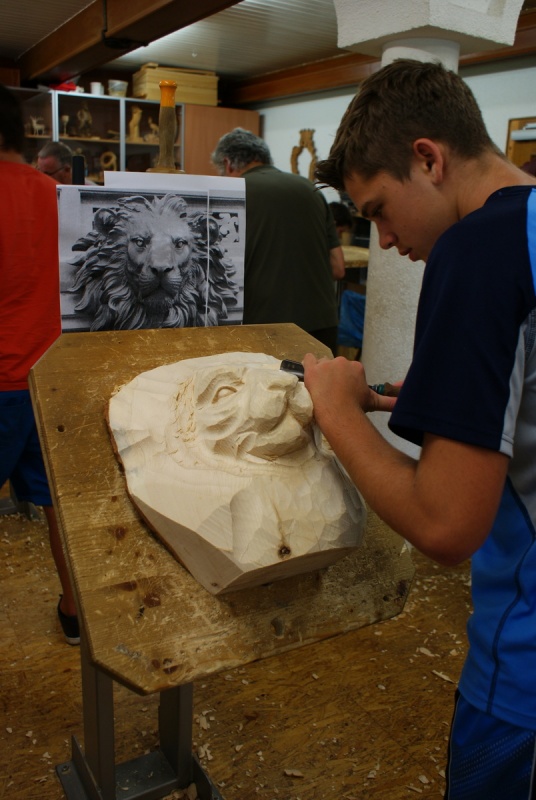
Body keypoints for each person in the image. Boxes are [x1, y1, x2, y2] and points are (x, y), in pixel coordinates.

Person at [302, 59, 536, 800]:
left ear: (429, 159)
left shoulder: (480, 249)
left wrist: (339, 412)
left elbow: (445, 526)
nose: (385, 239)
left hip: (525, 678)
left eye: (379, 209)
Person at [0, 85, 79, 645]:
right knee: (59, 506)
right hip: (51, 374)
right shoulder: (58, 195)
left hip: (2, 376)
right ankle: (75, 612)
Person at [211, 128, 345, 355]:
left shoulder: (231, 193)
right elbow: (338, 267)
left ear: (227, 163)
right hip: (320, 328)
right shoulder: (310, 188)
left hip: (263, 332)